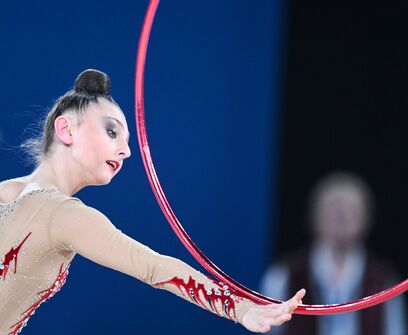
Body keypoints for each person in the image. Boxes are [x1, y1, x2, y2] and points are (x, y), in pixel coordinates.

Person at [0, 69, 305, 335]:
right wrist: (239, 309)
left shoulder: (9, 191)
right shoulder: (63, 215)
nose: (126, 151)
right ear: (66, 129)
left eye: (127, 140)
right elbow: (153, 267)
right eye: (111, 132)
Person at [260, 171, 408, 335]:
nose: (341, 216)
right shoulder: (284, 275)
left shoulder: (383, 280)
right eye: (333, 208)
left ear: (365, 219)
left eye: (350, 209)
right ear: (314, 216)